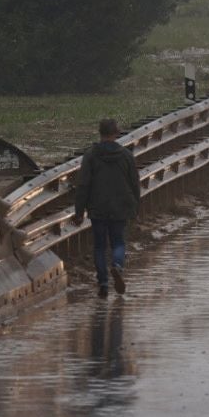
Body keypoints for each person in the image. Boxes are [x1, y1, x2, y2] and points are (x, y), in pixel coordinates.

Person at [72, 118, 141, 297]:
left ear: (100, 133)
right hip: (120, 206)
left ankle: (103, 283)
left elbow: (83, 185)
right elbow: (135, 183)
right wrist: (136, 206)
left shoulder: (90, 155)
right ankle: (117, 265)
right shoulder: (126, 155)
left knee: (99, 246)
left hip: (97, 208)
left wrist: (79, 211)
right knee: (118, 241)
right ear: (116, 133)